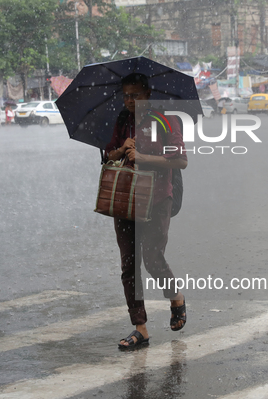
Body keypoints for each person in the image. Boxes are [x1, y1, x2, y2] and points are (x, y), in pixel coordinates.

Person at [104, 73, 188, 350]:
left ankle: (175, 296)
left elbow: (180, 160)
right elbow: (107, 156)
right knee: (129, 265)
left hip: (157, 199)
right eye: (125, 95)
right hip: (125, 199)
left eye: (135, 95)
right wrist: (119, 151)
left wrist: (143, 156)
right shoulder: (122, 120)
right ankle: (140, 328)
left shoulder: (166, 120)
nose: (129, 100)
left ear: (148, 94)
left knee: (152, 258)